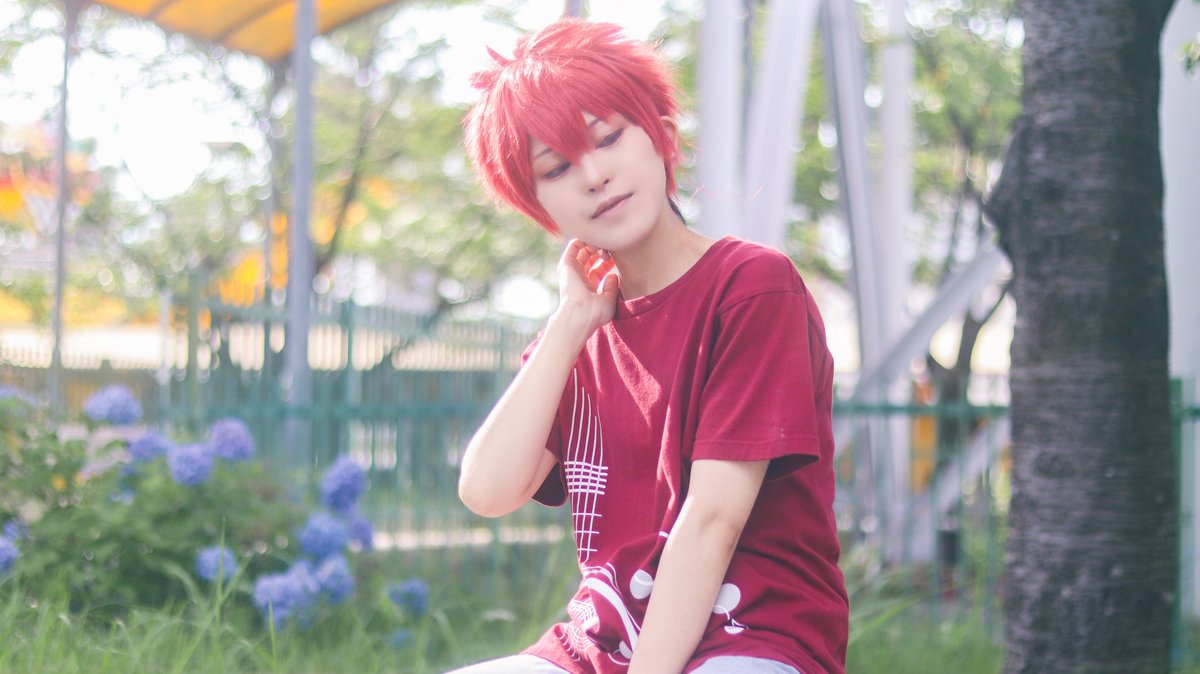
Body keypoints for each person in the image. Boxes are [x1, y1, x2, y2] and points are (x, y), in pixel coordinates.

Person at [453, 18, 847, 674]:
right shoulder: (580, 333)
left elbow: (713, 520)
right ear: (539, 207)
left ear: (661, 134)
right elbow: (487, 490)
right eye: (557, 167)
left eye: (608, 137)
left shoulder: (750, 286)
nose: (595, 175)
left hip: (751, 638)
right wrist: (570, 321)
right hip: (601, 646)